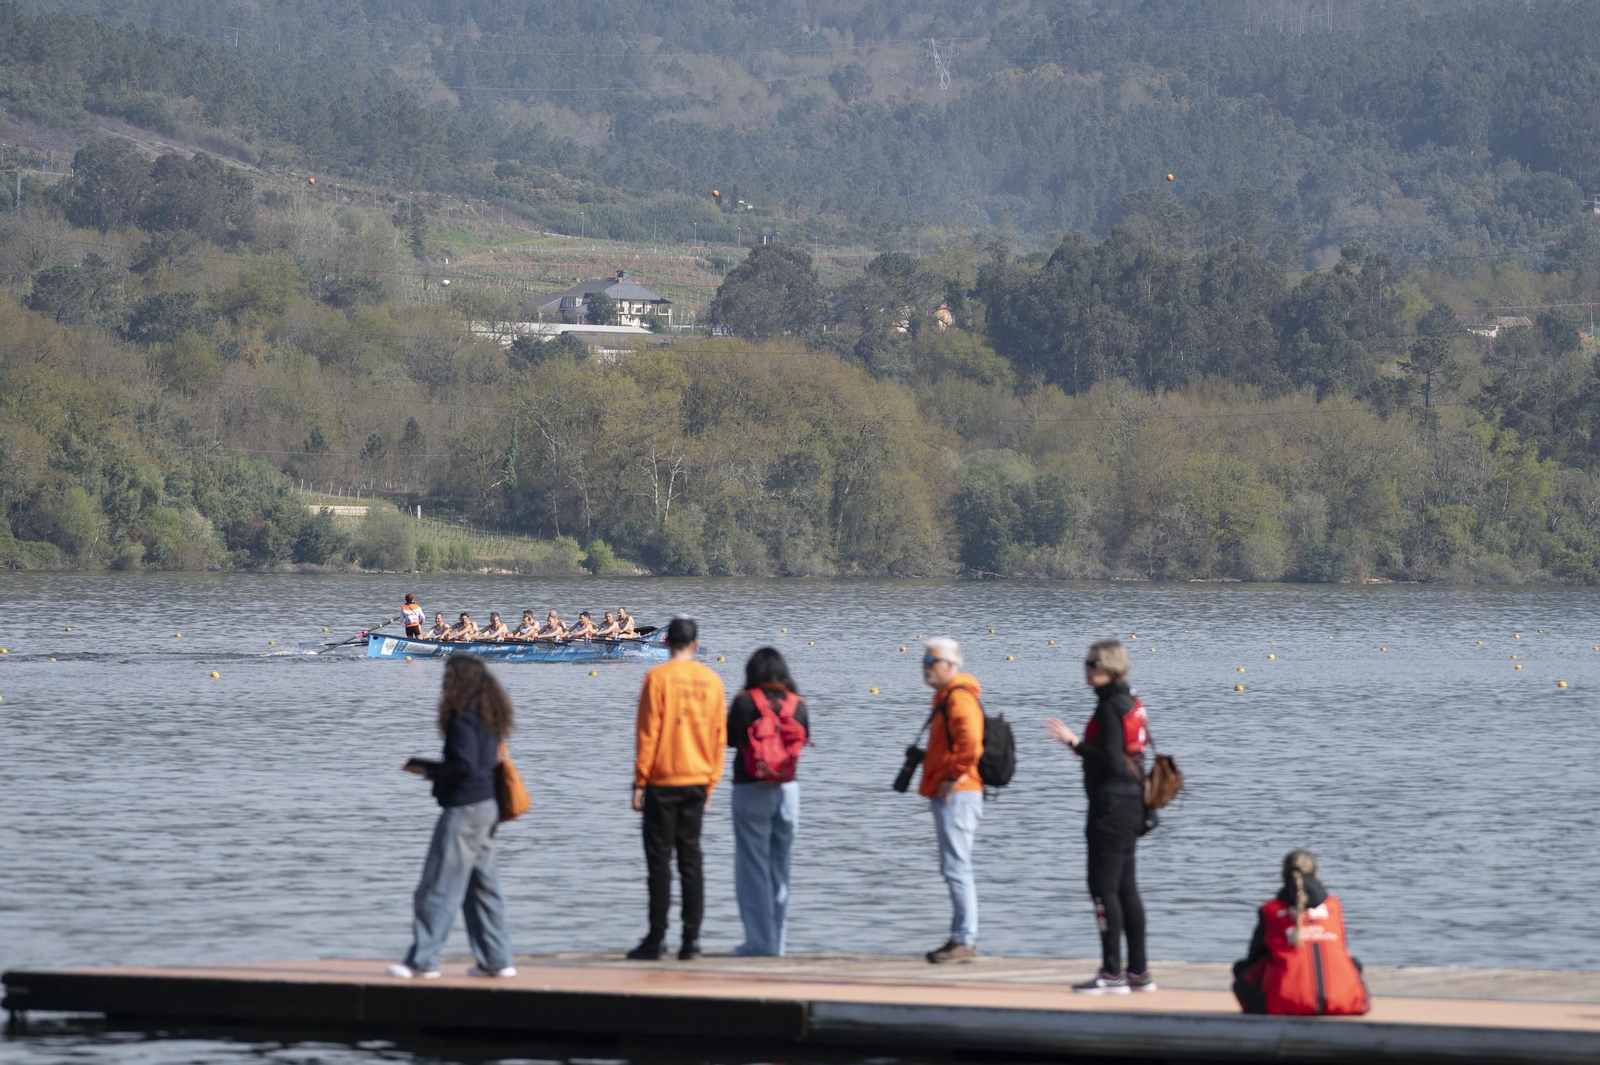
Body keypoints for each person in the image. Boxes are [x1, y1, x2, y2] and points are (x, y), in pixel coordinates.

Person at [387, 656, 517, 980]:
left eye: (448, 675)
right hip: (487, 807)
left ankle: (423, 961)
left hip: (464, 810)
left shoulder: (462, 715)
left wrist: (426, 769)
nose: (443, 681)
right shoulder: (490, 715)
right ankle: (497, 961)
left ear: (460, 679)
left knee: (437, 887)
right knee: (483, 888)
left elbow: (463, 766)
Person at [1045, 639, 1155, 995]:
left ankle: (1112, 973)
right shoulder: (1132, 701)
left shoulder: (1110, 706)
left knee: (1103, 888)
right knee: (1126, 889)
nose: (1086, 667)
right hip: (1133, 804)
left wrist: (1073, 742)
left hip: (1111, 806)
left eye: (1093, 662)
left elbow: (1108, 759)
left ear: (1109, 666)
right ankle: (1138, 972)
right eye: (1087, 661)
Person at [628, 618, 726, 961]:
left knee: (659, 864)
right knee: (691, 861)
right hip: (698, 780)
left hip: (662, 780)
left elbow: (647, 733)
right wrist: (712, 783)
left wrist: (639, 781)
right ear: (695, 644)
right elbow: (719, 738)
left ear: (666, 642)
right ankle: (691, 941)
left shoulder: (656, 678)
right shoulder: (712, 681)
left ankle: (656, 940)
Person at [726, 647, 810, 956]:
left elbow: (731, 740)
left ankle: (759, 943)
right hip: (788, 792)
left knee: (752, 869)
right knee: (781, 869)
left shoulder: (744, 701)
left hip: (750, 789)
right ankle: (778, 942)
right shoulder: (797, 703)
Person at [1233, 850, 1371, 1016]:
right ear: (1316, 874)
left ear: (1283, 877)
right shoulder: (1334, 906)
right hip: (1346, 1003)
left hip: (1286, 1004)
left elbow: (1254, 958)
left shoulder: (1271, 910)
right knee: (1352, 962)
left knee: (1243, 970)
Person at [918, 638, 985, 964]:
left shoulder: (959, 698)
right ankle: (960, 936)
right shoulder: (949, 696)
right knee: (954, 866)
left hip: (959, 793)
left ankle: (965, 939)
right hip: (953, 792)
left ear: (949, 665)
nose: (924, 668)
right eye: (924, 661)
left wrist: (953, 776)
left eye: (930, 662)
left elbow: (972, 744)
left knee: (958, 867)